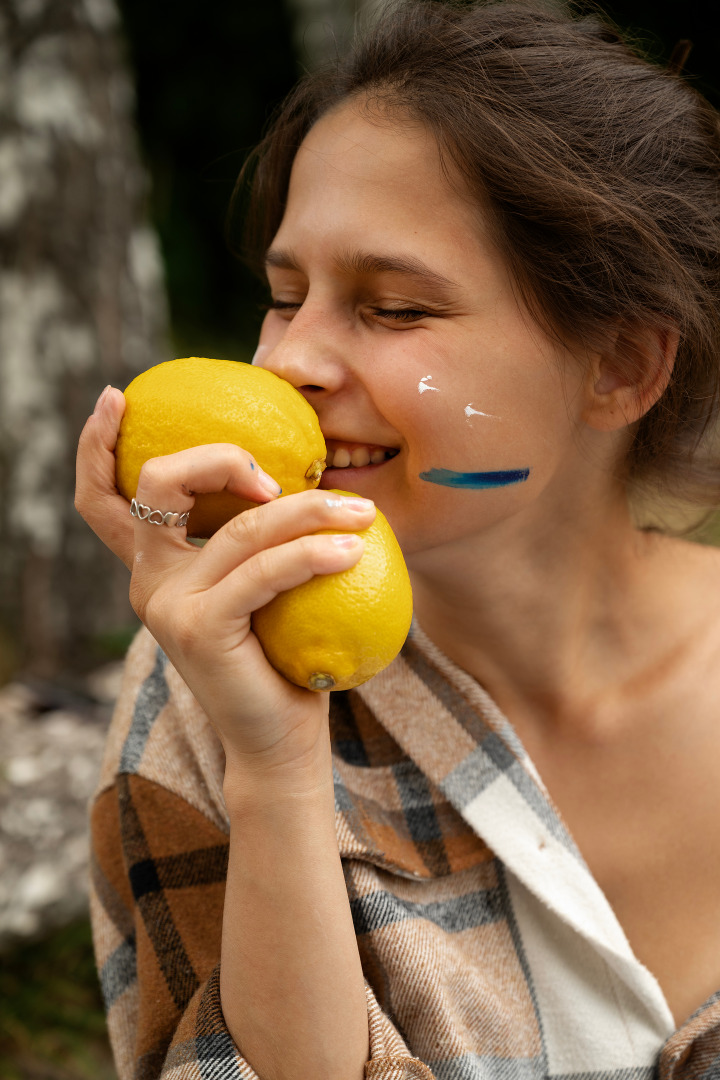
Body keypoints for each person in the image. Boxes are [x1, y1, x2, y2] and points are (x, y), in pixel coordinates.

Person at [75, 1, 720, 1077]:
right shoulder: (200, 700)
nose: (287, 363)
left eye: (395, 309)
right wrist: (277, 774)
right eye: (286, 296)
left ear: (620, 369)